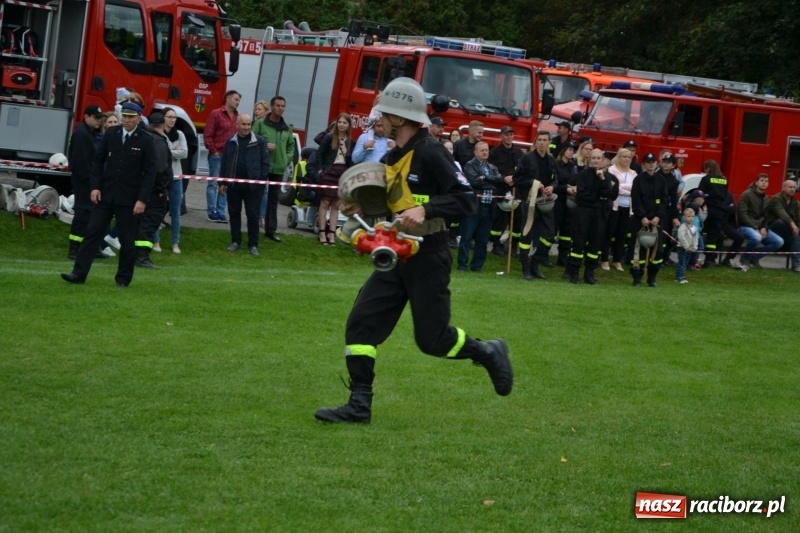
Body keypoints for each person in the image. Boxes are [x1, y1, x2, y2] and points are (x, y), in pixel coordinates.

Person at [314, 77, 512, 425]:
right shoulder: (393, 155)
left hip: (429, 255)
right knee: (361, 327)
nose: (381, 119)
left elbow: (467, 199)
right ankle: (359, 404)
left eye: (385, 114)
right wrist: (357, 209)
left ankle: (487, 351)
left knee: (433, 340)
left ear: (400, 118)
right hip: (396, 254)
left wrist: (429, 209)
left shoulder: (431, 152)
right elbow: (391, 208)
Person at [60, 101, 156, 287]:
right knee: (92, 233)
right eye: (124, 116)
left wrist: (142, 199)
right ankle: (78, 274)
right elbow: (98, 162)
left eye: (130, 117)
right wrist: (95, 187)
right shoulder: (112, 134)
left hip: (129, 198)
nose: (126, 120)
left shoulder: (145, 140)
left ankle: (123, 279)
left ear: (138, 118)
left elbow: (150, 173)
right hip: (106, 194)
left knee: (127, 240)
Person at [564, 149, 616, 284]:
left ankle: (589, 274)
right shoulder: (582, 175)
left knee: (595, 244)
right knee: (578, 242)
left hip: (599, 214)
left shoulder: (608, 177)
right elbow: (582, 195)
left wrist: (602, 179)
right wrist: (600, 197)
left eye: (599, 158)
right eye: (594, 158)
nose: (596, 161)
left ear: (603, 160)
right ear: (589, 160)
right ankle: (574, 272)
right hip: (583, 212)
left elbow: (611, 195)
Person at [220, 114, 270, 256]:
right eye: (244, 124)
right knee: (234, 213)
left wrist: (260, 182)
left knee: (252, 215)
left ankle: (253, 245)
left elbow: (265, 164)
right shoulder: (230, 141)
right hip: (234, 186)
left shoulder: (259, 142)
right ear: (237, 125)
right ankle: (236, 241)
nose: (247, 127)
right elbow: (224, 163)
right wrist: (222, 182)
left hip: (253, 187)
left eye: (249, 124)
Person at [513, 131, 558, 280]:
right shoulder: (527, 158)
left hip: (545, 202)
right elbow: (517, 178)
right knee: (527, 234)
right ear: (535, 142)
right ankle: (525, 268)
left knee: (549, 235)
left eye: (545, 140)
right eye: (539, 140)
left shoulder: (551, 160)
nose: (542, 143)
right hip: (529, 202)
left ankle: (535, 264)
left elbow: (556, 179)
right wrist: (534, 183)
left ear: (549, 142)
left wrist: (552, 187)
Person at [67, 105, 107, 260]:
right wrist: (93, 185)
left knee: (91, 217)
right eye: (96, 118)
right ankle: (74, 249)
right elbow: (82, 165)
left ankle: (90, 248)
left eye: (100, 118)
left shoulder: (89, 133)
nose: (99, 121)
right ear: (86, 117)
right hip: (84, 184)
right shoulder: (82, 135)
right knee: (83, 216)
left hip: (89, 183)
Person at [252, 95, 294, 243]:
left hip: (278, 169)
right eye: (278, 105)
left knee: (273, 201)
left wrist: (285, 160)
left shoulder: (286, 127)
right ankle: (254, 227)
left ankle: (271, 230)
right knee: (256, 197)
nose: (280, 108)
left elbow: (291, 147)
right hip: (263, 167)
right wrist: (263, 146)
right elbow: (251, 141)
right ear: (272, 106)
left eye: (283, 106)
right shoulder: (260, 124)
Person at [134, 112, 172, 269]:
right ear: (162, 125)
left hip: (139, 189)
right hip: (154, 192)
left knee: (139, 223)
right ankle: (142, 257)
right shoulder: (159, 142)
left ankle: (136, 254)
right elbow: (161, 169)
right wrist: (162, 188)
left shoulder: (141, 138)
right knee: (149, 223)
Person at [459, 141, 502, 272]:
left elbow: (500, 181)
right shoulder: (469, 165)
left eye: (487, 150)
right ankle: (462, 265)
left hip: (489, 207)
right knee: (466, 237)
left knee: (482, 240)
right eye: (482, 150)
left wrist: (485, 178)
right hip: (474, 206)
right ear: (476, 152)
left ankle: (477, 266)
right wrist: (491, 183)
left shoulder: (493, 168)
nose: (485, 152)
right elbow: (474, 182)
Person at [629, 153, 668, 287]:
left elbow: (664, 200)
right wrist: (642, 217)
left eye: (653, 162)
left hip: (657, 221)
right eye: (648, 162)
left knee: (658, 251)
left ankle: (652, 278)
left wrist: (658, 217)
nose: (651, 164)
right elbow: (636, 200)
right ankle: (637, 278)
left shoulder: (661, 180)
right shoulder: (638, 180)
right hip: (641, 220)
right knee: (639, 250)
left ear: (656, 164)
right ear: (644, 164)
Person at [314, 112, 352, 245]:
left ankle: (332, 234)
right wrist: (320, 170)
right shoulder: (329, 137)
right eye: (340, 122)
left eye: (344, 123)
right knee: (325, 202)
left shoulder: (349, 141)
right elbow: (320, 153)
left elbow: (350, 160)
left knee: (336, 204)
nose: (341, 125)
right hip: (329, 171)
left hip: (341, 173)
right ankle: (322, 232)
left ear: (348, 125)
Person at [153, 107, 188, 254]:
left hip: (176, 177)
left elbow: (184, 153)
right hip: (162, 177)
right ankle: (155, 242)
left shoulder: (180, 134)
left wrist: (170, 151)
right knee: (157, 210)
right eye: (169, 117)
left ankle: (175, 243)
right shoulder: (159, 134)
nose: (172, 120)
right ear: (163, 118)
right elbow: (160, 152)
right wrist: (175, 151)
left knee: (175, 212)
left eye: (174, 117)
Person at [487, 125, 524, 256]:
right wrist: (503, 178)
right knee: (498, 221)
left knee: (517, 221)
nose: (509, 137)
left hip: (516, 191)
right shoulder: (494, 153)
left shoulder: (519, 153)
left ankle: (513, 246)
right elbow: (491, 170)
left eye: (511, 134)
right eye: (506, 135)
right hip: (500, 190)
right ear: (501, 136)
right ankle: (496, 245)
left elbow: (523, 170)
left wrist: (514, 178)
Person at [204, 90, 241, 222]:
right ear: (228, 99)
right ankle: (212, 211)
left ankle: (221, 211)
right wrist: (214, 151)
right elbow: (208, 135)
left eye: (239, 100)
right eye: (236, 99)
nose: (238, 103)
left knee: (225, 184)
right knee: (213, 183)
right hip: (217, 154)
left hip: (231, 157)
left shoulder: (238, 117)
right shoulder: (216, 113)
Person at [737, 173, 783, 270]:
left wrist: (764, 228)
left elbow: (766, 216)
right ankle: (744, 258)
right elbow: (742, 214)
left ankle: (755, 258)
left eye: (766, 181)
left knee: (778, 241)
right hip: (745, 226)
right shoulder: (746, 194)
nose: (764, 183)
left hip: (759, 227)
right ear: (756, 182)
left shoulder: (766, 198)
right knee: (756, 237)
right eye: (762, 181)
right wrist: (755, 228)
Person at [603, 148, 635, 271]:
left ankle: (617, 260)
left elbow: (634, 189)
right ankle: (605, 259)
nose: (626, 159)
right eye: (624, 156)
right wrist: (627, 189)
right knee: (609, 233)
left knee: (622, 235)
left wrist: (624, 188)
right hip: (614, 207)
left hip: (627, 208)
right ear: (618, 157)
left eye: (629, 157)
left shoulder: (633, 173)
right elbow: (615, 188)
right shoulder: (611, 171)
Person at [698, 159, 732, 267]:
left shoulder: (706, 179)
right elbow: (725, 196)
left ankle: (694, 258)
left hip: (708, 210)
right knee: (713, 236)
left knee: (699, 232)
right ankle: (709, 260)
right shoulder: (724, 180)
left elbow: (700, 193)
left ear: (708, 168)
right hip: (720, 211)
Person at [553, 140, 578, 267]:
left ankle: (563, 257)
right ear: (563, 151)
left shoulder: (573, 166)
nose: (571, 152)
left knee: (567, 231)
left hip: (570, 201)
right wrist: (565, 188)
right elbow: (554, 183)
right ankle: (542, 255)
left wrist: (574, 188)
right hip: (558, 200)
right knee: (553, 229)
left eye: (573, 150)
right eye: (569, 149)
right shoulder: (556, 164)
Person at [766, 179, 800, 273]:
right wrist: (793, 225)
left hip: (787, 229)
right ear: (783, 188)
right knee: (782, 222)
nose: (792, 189)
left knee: (796, 235)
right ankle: (796, 265)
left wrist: (797, 227)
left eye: (794, 187)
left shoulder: (795, 202)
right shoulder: (776, 199)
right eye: (790, 187)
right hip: (771, 228)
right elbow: (782, 214)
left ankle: (796, 265)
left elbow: (798, 217)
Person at [655, 153, 682, 266]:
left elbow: (674, 200)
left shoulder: (673, 181)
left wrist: (675, 216)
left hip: (666, 211)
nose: (665, 165)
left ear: (673, 166)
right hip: (653, 208)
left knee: (665, 235)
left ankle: (663, 258)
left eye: (668, 163)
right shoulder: (655, 176)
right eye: (664, 162)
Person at [675, 206, 699, 283]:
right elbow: (681, 237)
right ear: (684, 217)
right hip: (682, 248)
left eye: (692, 216)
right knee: (682, 263)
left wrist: (695, 246)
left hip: (690, 249)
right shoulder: (683, 227)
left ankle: (681, 275)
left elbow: (695, 237)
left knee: (685, 263)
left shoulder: (694, 228)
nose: (691, 218)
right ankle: (679, 277)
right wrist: (686, 246)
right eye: (688, 216)